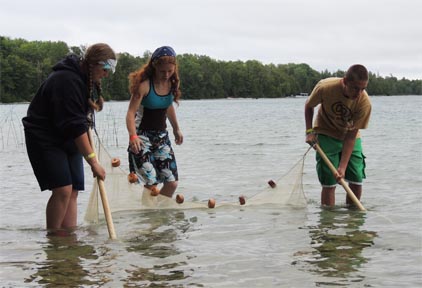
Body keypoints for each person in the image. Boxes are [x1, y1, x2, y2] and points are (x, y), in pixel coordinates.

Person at [22, 43, 117, 235]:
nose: (107, 74)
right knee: (63, 189)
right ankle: (55, 239)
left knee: (73, 189)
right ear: (93, 64)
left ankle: (69, 240)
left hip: (67, 137)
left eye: (110, 70)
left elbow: (78, 123)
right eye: (105, 68)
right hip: (45, 137)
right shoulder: (66, 80)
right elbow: (74, 127)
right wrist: (93, 161)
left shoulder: (86, 81)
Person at [304, 64, 371, 207]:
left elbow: (351, 137)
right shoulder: (325, 87)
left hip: (350, 135)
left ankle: (353, 220)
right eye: (355, 88)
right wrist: (309, 132)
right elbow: (309, 106)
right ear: (345, 81)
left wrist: (342, 167)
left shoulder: (364, 103)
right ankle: (329, 221)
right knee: (329, 179)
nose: (359, 93)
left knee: (356, 176)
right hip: (326, 131)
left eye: (363, 89)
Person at [126, 46, 183, 198]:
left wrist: (176, 129)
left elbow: (168, 105)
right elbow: (130, 113)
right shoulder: (144, 85)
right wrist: (133, 136)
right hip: (141, 137)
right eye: (162, 71)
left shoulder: (172, 84)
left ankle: (159, 218)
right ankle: (149, 219)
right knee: (151, 183)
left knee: (172, 183)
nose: (166, 75)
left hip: (161, 137)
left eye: (170, 71)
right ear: (154, 66)